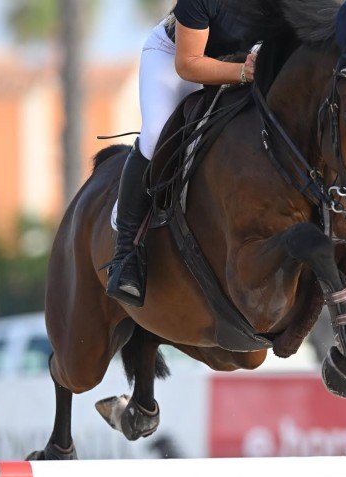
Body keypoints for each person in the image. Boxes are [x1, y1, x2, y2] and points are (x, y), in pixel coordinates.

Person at [106, 0, 258, 307]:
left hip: (244, 67)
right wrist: (243, 72)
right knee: (156, 134)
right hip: (177, 61)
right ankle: (126, 254)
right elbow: (188, 64)